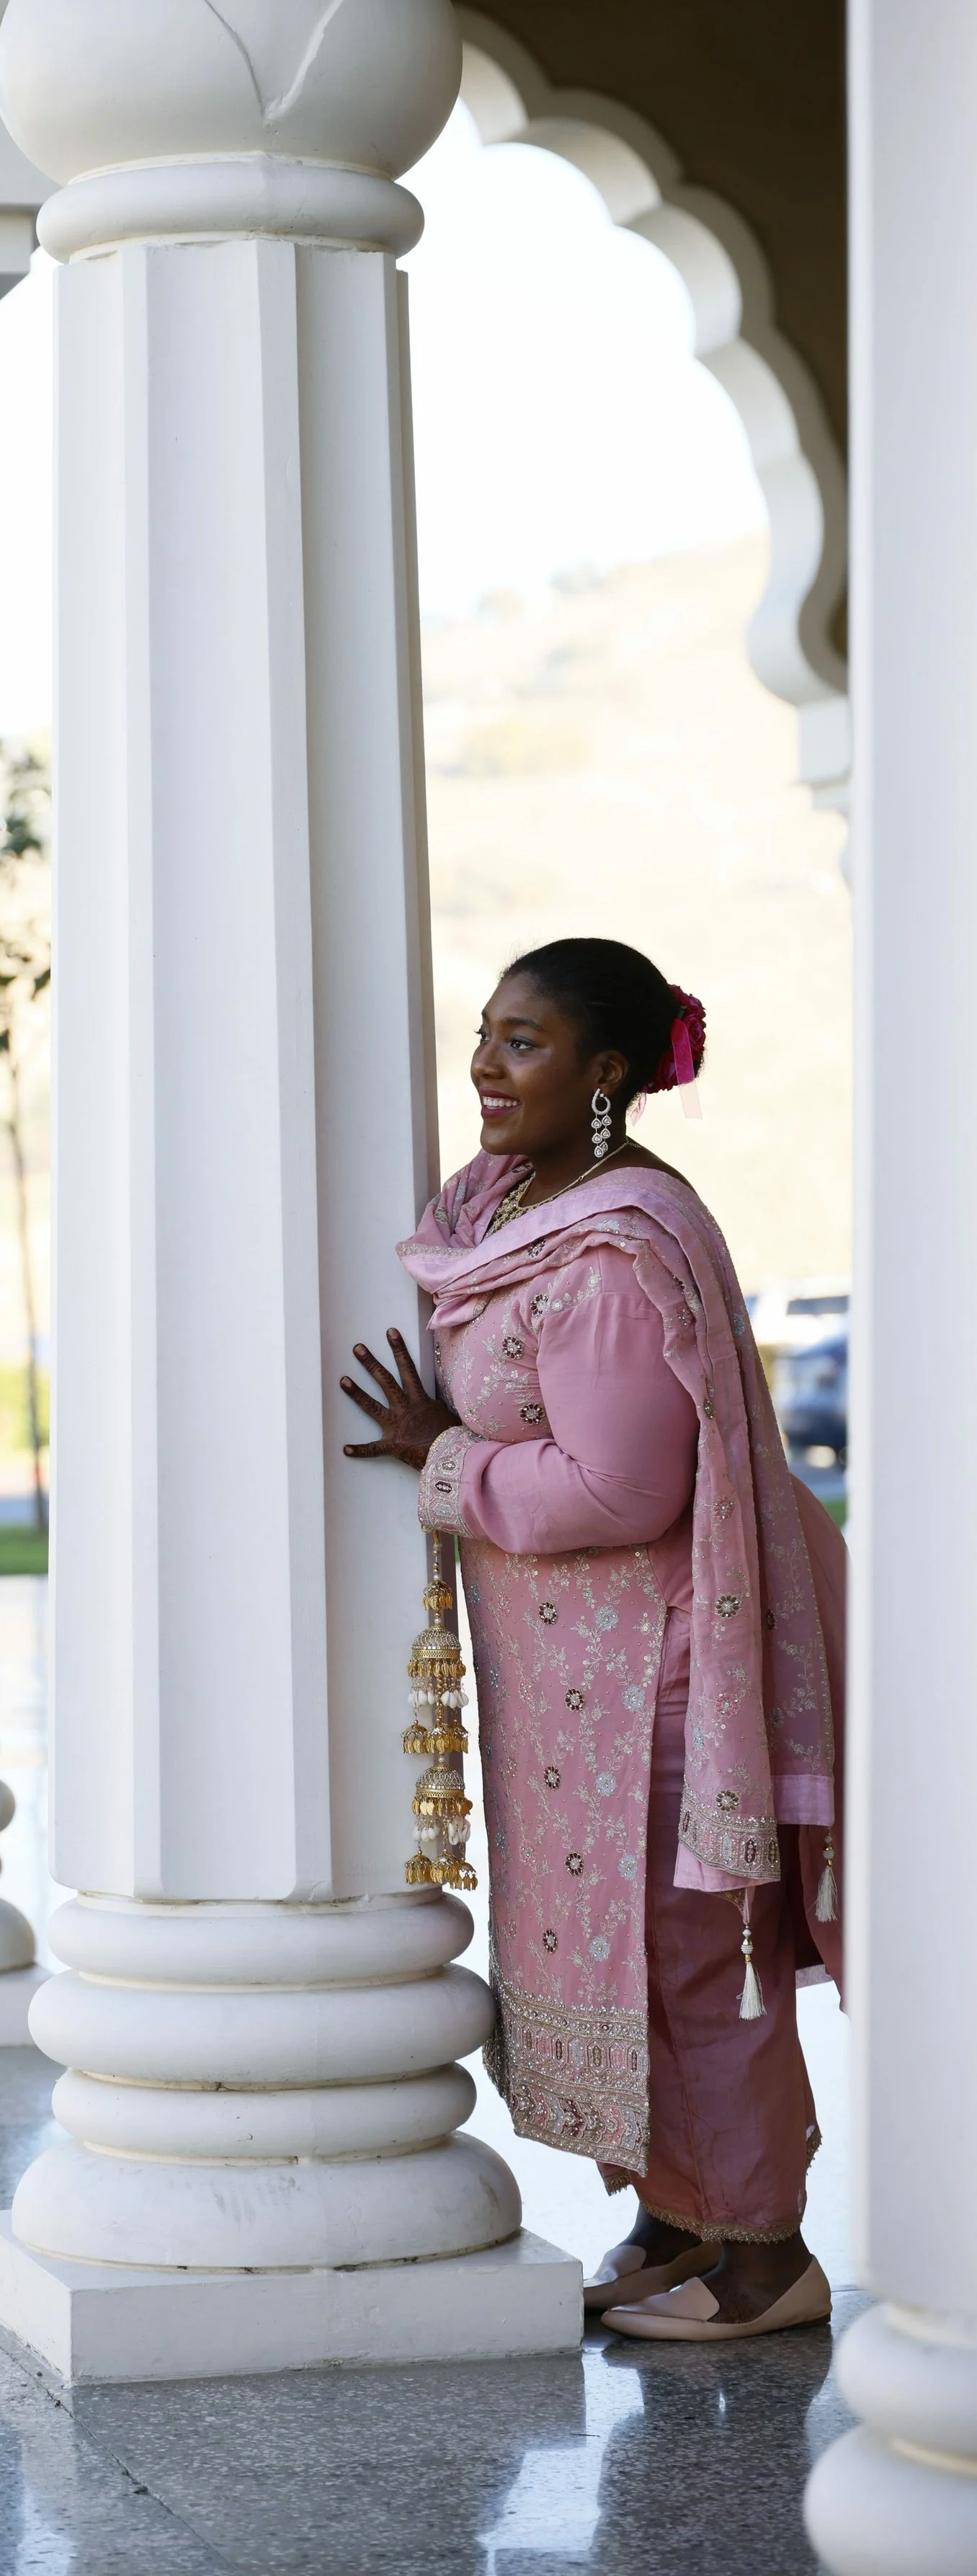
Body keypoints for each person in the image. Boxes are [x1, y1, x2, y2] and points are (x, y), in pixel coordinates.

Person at [341, 938, 844, 2343]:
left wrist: (442, 1458)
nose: (484, 1067)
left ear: (604, 1069)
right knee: (637, 1954)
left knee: (688, 1956)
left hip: (663, 1670)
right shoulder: (511, 1206)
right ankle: (681, 2222)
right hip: (576, 1677)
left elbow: (626, 1484)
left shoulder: (617, 1243)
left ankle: (765, 2255)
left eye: (521, 1042)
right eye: (486, 1035)